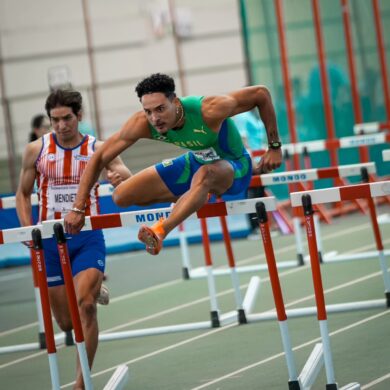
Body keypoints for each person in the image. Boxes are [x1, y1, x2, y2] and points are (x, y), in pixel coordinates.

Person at [64, 73, 282, 256]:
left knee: (206, 174)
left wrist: (274, 146)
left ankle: (161, 231)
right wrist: (78, 207)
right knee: (120, 196)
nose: (154, 118)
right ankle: (196, 195)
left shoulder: (209, 109)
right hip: (195, 162)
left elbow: (260, 94)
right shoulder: (142, 123)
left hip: (233, 167)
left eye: (160, 109)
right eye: (148, 111)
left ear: (175, 102)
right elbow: (98, 157)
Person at [15, 89, 131, 389]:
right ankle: (93, 289)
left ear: (79, 116)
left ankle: (81, 383)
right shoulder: (36, 150)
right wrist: (29, 231)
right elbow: (23, 194)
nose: (61, 125)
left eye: (67, 118)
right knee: (67, 324)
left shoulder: (99, 148)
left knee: (86, 306)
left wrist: (120, 178)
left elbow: (124, 175)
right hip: (50, 242)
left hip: (87, 237)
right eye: (55, 120)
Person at [232, 110, 267, 238]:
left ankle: (263, 226)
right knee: (252, 195)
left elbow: (260, 139)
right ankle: (254, 229)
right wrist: (250, 162)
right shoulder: (242, 116)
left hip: (260, 160)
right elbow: (243, 140)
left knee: (260, 194)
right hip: (251, 162)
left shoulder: (257, 116)